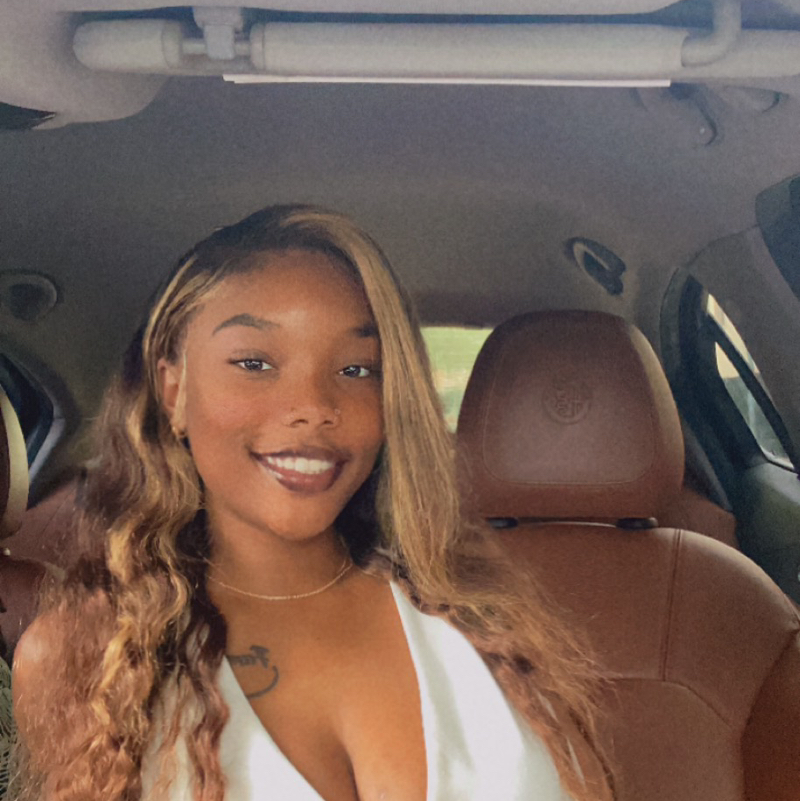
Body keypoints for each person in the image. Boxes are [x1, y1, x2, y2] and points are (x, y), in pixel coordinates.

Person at [10, 205, 613, 801]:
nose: (314, 406)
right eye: (254, 363)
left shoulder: (495, 630)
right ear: (174, 392)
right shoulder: (82, 658)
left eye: (357, 369)